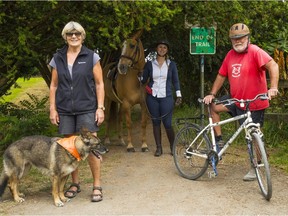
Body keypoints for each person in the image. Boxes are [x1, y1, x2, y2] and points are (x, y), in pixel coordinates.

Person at [203, 23, 279, 181]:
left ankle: (255, 167)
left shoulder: (255, 51)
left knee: (254, 136)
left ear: (248, 38)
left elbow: (273, 65)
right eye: (234, 38)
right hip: (236, 100)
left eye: (241, 37)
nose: (238, 41)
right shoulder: (230, 55)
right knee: (213, 106)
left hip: (254, 104)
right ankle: (219, 142)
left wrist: (273, 88)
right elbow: (221, 75)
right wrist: (212, 93)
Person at [49, 21, 107, 202]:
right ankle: (75, 183)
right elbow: (54, 85)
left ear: (82, 36)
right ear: (65, 37)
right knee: (70, 150)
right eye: (70, 34)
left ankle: (96, 185)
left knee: (91, 147)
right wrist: (53, 108)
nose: (74, 37)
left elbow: (99, 83)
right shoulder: (57, 58)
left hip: (87, 109)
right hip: (65, 110)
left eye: (77, 34)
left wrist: (100, 107)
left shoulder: (91, 56)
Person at [140, 39, 182, 157]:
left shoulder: (171, 65)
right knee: (156, 122)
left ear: (167, 50)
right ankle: (159, 148)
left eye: (164, 47)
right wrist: (140, 76)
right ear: (156, 49)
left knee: (167, 123)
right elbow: (143, 80)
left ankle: (172, 146)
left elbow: (175, 80)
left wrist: (178, 95)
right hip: (152, 97)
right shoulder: (149, 64)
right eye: (160, 47)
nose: (162, 49)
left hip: (167, 97)